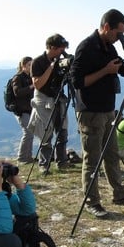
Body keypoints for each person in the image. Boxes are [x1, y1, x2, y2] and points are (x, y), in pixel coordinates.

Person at [70, 9, 124, 218]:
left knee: (111, 155)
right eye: (118, 33)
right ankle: (92, 202)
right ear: (106, 27)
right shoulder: (86, 47)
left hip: (108, 110)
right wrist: (105, 71)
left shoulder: (109, 48)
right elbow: (78, 82)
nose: (119, 38)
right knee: (92, 159)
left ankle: (119, 193)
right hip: (90, 111)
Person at [27, 34, 74, 173]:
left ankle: (61, 161)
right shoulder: (38, 62)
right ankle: (44, 164)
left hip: (58, 98)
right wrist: (51, 67)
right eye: (61, 49)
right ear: (52, 47)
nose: (62, 51)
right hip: (44, 99)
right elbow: (37, 84)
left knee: (62, 131)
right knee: (46, 133)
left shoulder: (61, 60)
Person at [12, 56, 36, 163]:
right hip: (22, 110)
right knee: (28, 133)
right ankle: (22, 157)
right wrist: (31, 87)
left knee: (30, 133)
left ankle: (28, 157)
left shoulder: (29, 76)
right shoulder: (18, 77)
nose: (31, 67)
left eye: (32, 65)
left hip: (30, 109)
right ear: (23, 66)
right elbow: (17, 92)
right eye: (29, 65)